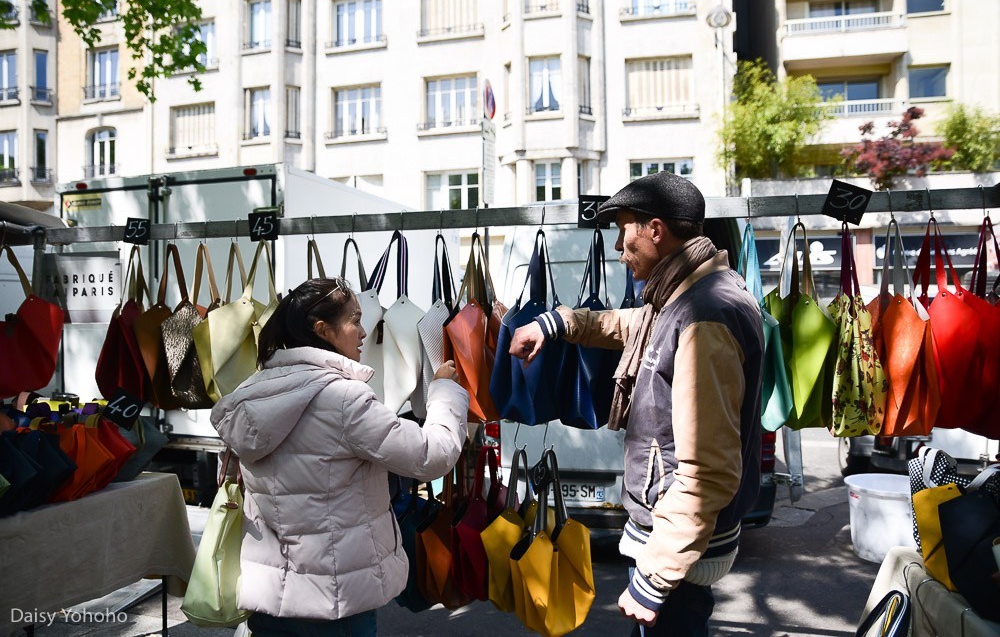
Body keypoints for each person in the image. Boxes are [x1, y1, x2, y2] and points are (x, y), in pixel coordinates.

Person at [510, 172, 765, 636]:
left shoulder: (703, 316)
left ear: (655, 230)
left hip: (674, 551)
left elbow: (709, 471)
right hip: (670, 540)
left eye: (623, 231)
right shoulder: (682, 297)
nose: (617, 248)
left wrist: (654, 578)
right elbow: (626, 324)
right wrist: (554, 324)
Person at [211, 276, 469, 637]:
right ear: (322, 330)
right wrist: (443, 392)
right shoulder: (344, 400)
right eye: (354, 320)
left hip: (271, 597)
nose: (363, 332)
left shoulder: (251, 393)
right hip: (336, 601)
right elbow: (431, 456)